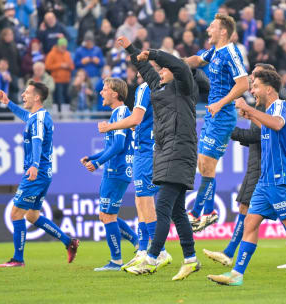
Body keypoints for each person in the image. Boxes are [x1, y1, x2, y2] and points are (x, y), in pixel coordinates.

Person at [207, 70, 286, 286]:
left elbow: (278, 124)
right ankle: (237, 274)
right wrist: (251, 115)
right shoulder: (270, 110)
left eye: (256, 86)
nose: (252, 90)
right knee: (250, 223)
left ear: (269, 89)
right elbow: (268, 130)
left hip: (279, 180)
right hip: (265, 181)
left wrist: (249, 109)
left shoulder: (280, 106)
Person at [117, 35, 207, 280]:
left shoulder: (185, 86)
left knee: (163, 206)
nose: (161, 71)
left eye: (165, 68)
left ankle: (152, 256)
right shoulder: (160, 88)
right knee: (177, 211)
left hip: (180, 152)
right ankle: (190, 259)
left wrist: (154, 53)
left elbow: (178, 65)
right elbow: (144, 68)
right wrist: (130, 49)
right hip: (166, 152)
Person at [0, 81, 79, 267]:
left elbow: (37, 141)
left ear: (37, 97)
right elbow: (26, 115)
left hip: (36, 172)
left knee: (16, 213)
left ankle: (18, 259)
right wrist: (8, 102)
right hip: (44, 173)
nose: (23, 95)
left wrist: (34, 165)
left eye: (27, 92)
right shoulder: (38, 116)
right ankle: (69, 242)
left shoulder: (39, 119)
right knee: (32, 216)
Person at [97, 77, 172, 272]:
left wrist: (109, 128)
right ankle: (143, 250)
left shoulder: (144, 90)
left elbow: (122, 140)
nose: (137, 74)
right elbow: (141, 121)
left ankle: (158, 251)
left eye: (105, 89)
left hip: (141, 156)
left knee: (144, 201)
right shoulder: (157, 90)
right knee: (141, 200)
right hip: (146, 152)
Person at [185, 13, 249, 232]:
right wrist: (172, 62)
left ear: (223, 31)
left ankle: (195, 214)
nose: (207, 30)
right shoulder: (215, 51)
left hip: (222, 115)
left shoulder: (231, 52)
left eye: (211, 27)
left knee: (207, 163)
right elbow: (196, 60)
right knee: (203, 164)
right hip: (214, 114)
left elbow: (243, 83)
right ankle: (210, 211)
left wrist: (221, 103)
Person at [81, 77, 139, 271]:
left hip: (117, 170)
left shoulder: (121, 112)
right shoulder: (117, 113)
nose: (101, 93)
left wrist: (97, 163)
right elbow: (111, 146)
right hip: (115, 169)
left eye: (105, 89)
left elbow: (119, 145)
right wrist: (93, 157)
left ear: (115, 93)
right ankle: (139, 244)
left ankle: (116, 261)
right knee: (106, 214)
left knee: (107, 215)